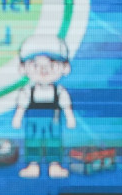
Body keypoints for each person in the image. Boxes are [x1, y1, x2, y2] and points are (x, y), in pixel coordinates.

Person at [11, 33, 75, 178]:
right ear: (23, 68)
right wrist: (17, 118)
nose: (43, 70)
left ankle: (55, 164)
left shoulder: (59, 91)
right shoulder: (28, 91)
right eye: (35, 65)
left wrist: (70, 117)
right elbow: (21, 106)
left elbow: (66, 105)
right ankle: (33, 165)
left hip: (53, 121)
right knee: (32, 141)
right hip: (33, 122)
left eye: (52, 64)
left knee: (54, 141)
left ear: (65, 68)